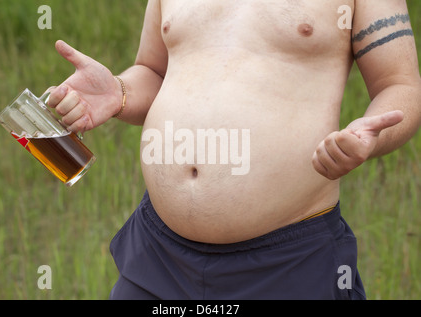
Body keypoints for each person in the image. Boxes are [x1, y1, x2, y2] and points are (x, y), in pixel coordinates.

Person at [47, 0, 421, 299]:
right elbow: (154, 71)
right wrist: (119, 91)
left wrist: (369, 137)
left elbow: (399, 84)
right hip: (160, 255)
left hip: (287, 262)